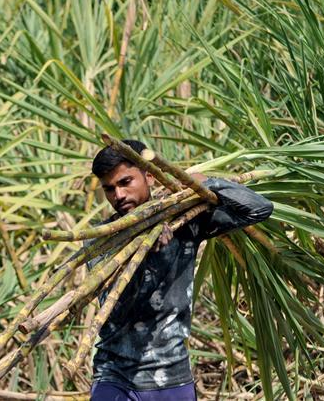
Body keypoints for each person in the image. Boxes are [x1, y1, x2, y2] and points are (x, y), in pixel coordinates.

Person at [86, 139, 273, 401]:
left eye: (125, 182)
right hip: (116, 376)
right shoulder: (100, 240)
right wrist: (144, 255)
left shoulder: (185, 222)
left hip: (172, 374)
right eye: (109, 189)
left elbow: (259, 209)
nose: (118, 196)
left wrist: (204, 183)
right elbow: (114, 308)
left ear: (149, 176)